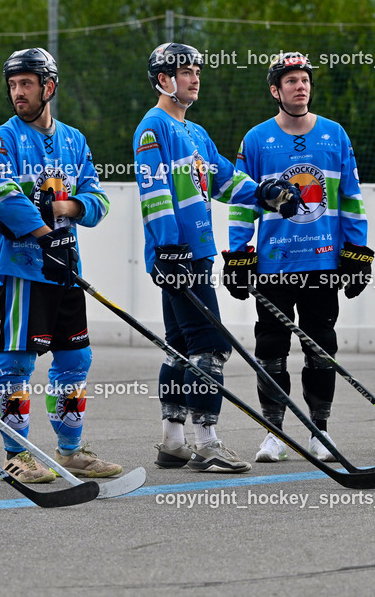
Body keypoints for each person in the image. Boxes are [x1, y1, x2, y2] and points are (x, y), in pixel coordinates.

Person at [134, 42, 301, 474]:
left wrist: (268, 192)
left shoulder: (196, 133)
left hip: (197, 253)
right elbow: (154, 193)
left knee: (180, 347)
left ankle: (172, 441)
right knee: (210, 347)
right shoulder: (154, 128)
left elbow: (227, 181)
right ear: (163, 79)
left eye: (197, 71)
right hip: (178, 256)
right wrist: (169, 249)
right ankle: (207, 442)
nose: (195, 78)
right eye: (186, 71)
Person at [224, 52, 372, 463]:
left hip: (322, 265)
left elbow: (351, 197)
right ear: (276, 90)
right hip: (274, 265)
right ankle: (274, 434)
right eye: (290, 81)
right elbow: (242, 204)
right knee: (270, 349)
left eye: (304, 79)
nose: (300, 86)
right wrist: (238, 257)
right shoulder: (255, 140)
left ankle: (319, 432)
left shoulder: (335, 135)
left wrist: (357, 252)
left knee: (321, 348)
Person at [0, 47, 122, 484]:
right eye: (12, 84)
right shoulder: (2, 138)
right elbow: (0, 197)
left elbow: (98, 201)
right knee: (16, 363)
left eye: (26, 83)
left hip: (65, 268)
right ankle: (17, 454)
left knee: (74, 358)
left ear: (49, 86)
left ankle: (71, 450)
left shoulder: (74, 139)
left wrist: (68, 205)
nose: (17, 92)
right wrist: (47, 237)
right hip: (25, 269)